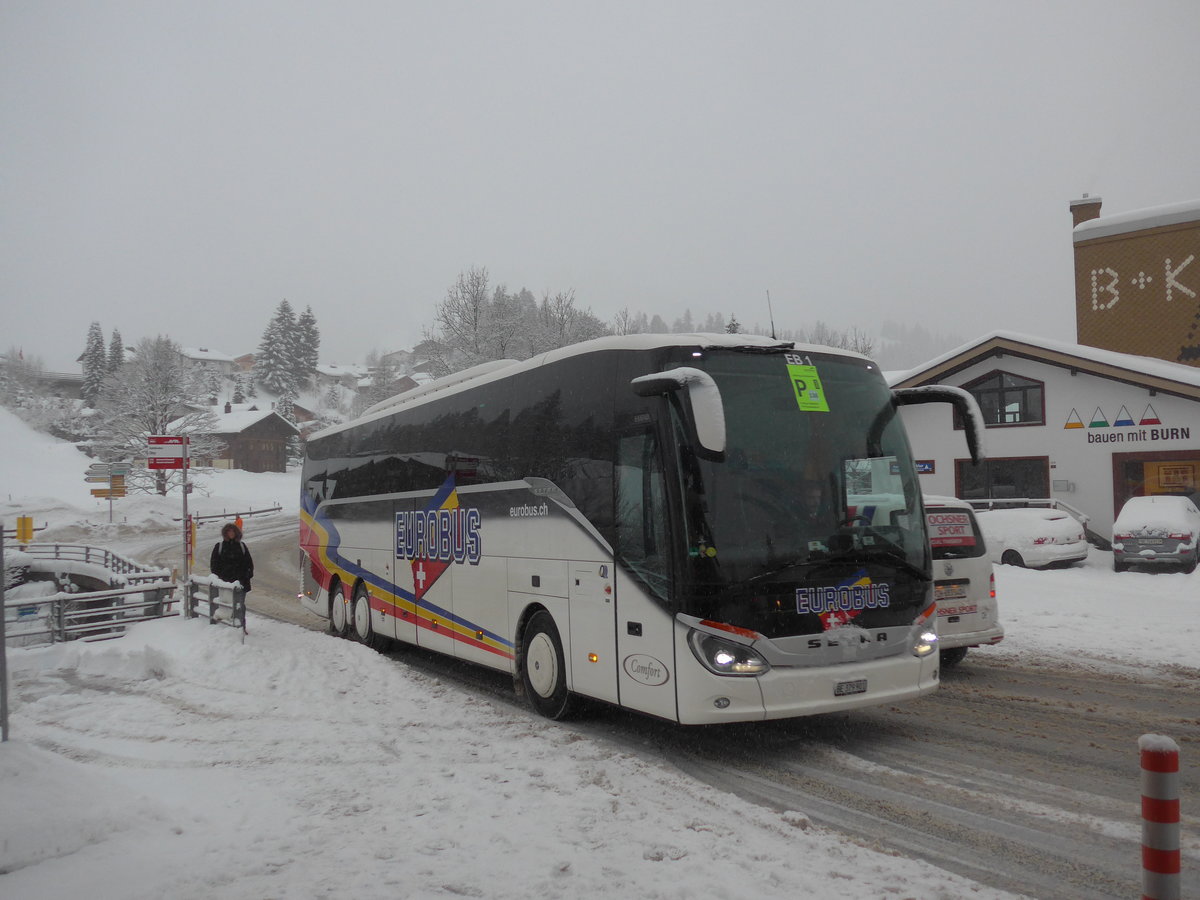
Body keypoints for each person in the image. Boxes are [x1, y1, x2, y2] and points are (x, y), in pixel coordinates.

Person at [210, 521, 254, 593]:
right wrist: (219, 578)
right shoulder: (219, 546)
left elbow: (249, 563)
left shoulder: (241, 546)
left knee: (239, 603)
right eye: (229, 531)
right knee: (225, 603)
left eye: (233, 531)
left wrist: (247, 576)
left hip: (241, 583)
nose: (231, 533)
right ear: (225, 533)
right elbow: (214, 565)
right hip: (224, 583)